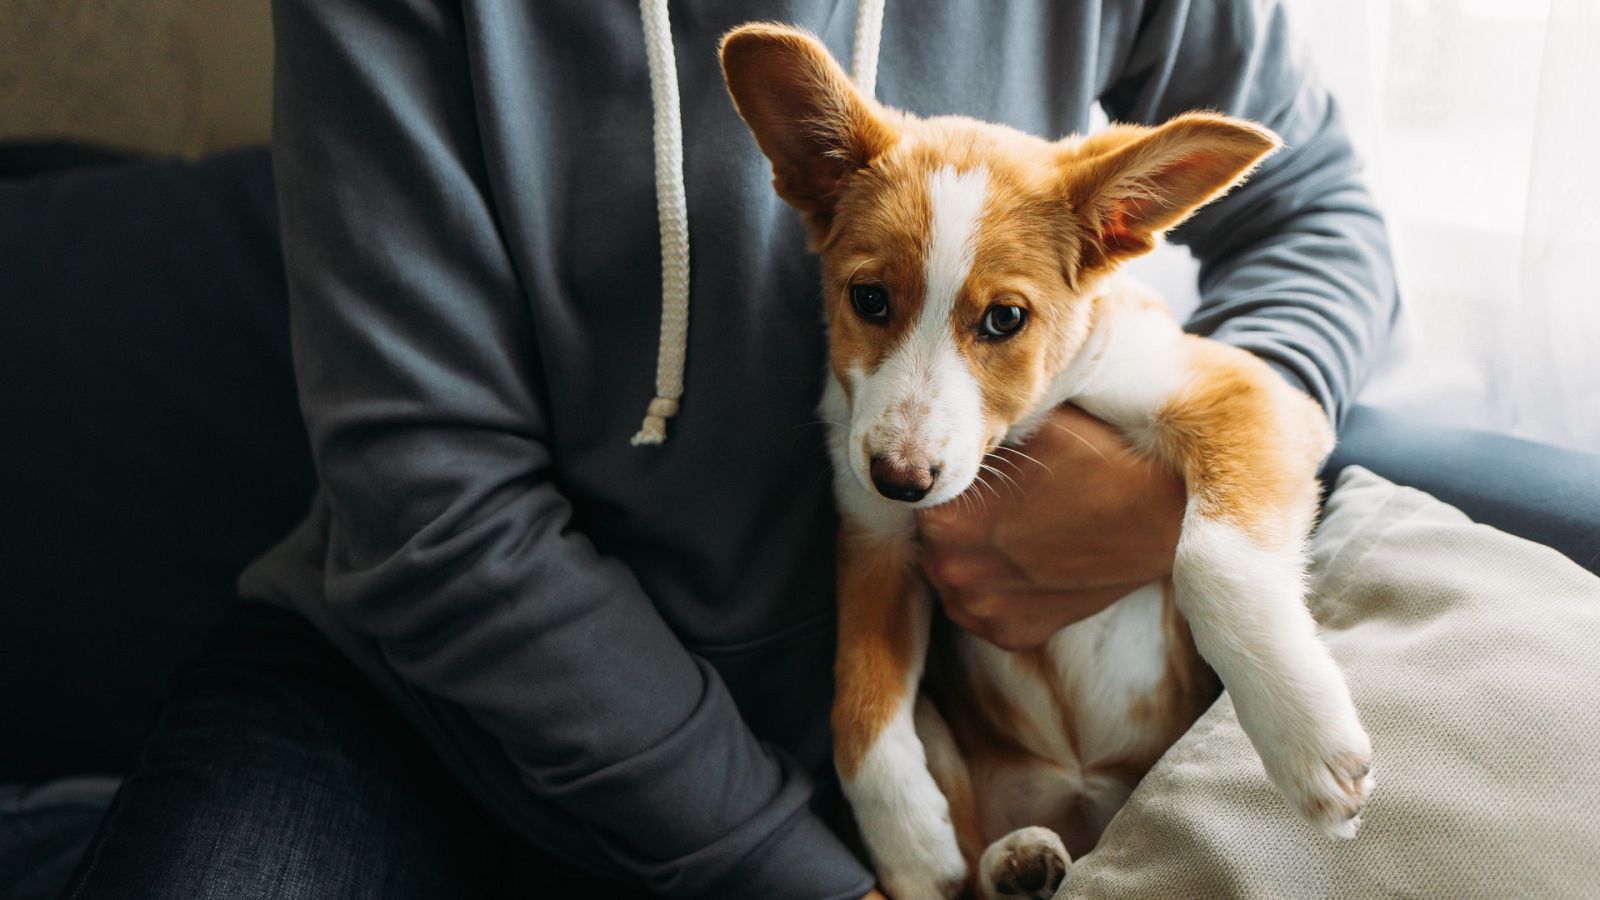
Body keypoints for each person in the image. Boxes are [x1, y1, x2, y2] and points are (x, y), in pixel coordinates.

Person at [63, 1, 1396, 897]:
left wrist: (1179, 486)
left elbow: (1316, 207)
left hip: (924, 724)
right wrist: (791, 866)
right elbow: (432, 512)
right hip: (414, 714)